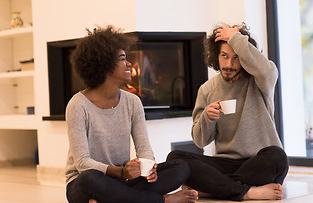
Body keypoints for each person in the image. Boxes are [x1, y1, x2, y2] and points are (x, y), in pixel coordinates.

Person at [65, 26, 198, 203]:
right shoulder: (78, 104)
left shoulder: (132, 101)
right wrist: (121, 172)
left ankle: (115, 200)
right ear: (104, 64)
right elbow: (82, 163)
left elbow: (143, 147)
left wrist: (148, 168)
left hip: (122, 182)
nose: (129, 64)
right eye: (122, 59)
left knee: (180, 167)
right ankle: (163, 201)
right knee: (89, 178)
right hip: (85, 184)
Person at [167, 23, 289, 201]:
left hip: (259, 162)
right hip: (226, 163)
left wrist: (236, 37)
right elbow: (200, 141)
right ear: (216, 56)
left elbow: (268, 69)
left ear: (245, 57)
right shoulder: (207, 89)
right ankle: (247, 192)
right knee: (175, 158)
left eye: (236, 57)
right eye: (224, 56)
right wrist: (207, 118)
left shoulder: (260, 81)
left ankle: (214, 190)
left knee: (278, 157)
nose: (229, 64)